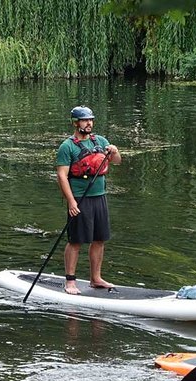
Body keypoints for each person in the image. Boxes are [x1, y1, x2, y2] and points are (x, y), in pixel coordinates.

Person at [55, 106, 121, 295]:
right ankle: (70, 281)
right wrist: (71, 201)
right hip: (79, 199)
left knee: (99, 239)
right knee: (76, 240)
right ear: (76, 123)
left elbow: (116, 161)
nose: (89, 123)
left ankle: (96, 278)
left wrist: (114, 151)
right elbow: (61, 176)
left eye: (91, 120)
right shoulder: (67, 147)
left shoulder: (100, 141)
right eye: (85, 120)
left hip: (99, 197)